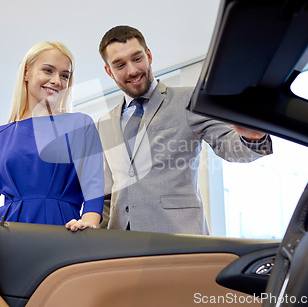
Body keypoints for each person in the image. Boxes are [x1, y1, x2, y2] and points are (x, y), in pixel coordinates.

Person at [97, 25, 273, 235]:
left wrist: (253, 136)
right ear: (109, 71)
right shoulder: (104, 123)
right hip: (121, 245)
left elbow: (229, 144)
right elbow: (108, 193)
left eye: (137, 58)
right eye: (120, 65)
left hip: (179, 235)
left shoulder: (189, 100)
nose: (133, 70)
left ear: (149, 55)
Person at [0, 41, 104, 231]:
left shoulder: (80, 125)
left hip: (65, 232)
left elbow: (94, 188)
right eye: (48, 70)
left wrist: (90, 223)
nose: (56, 81)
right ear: (26, 72)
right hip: (5, 235)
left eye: (64, 75)